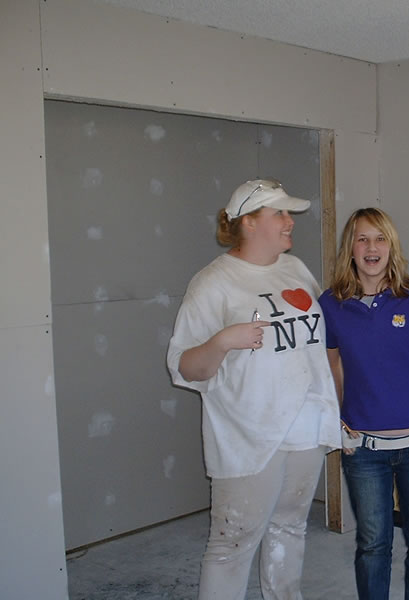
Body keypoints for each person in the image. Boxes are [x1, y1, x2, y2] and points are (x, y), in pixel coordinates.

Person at [166, 178, 340, 600]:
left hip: (306, 425)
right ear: (248, 222)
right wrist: (224, 340)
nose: (289, 221)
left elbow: (321, 343)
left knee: (290, 528)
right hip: (248, 435)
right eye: (279, 213)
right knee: (232, 543)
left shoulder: (295, 269)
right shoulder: (214, 283)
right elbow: (185, 367)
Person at [318, 207, 409, 600]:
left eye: (380, 239)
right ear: (350, 248)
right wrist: (339, 424)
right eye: (362, 239)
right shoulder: (331, 304)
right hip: (364, 452)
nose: (371, 248)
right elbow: (330, 368)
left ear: (391, 246)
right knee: (372, 547)